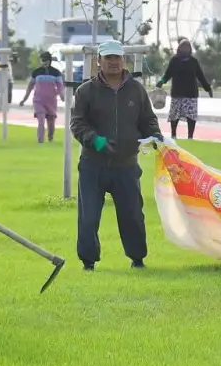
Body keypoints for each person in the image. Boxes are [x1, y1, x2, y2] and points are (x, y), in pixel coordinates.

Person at [69, 40, 163, 271]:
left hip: (126, 165)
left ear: (124, 60)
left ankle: (137, 259)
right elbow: (77, 124)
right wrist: (95, 141)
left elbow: (148, 120)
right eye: (108, 57)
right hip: (93, 165)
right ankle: (88, 262)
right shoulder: (86, 91)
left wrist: (155, 135)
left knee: (132, 215)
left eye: (117, 57)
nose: (113, 62)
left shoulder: (136, 90)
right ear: (98, 61)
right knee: (89, 216)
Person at [155, 39, 213, 139]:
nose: (185, 49)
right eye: (183, 47)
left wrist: (208, 88)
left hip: (191, 94)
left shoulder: (193, 62)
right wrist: (161, 82)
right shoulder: (174, 60)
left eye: (187, 47)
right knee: (174, 115)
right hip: (177, 93)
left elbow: (201, 77)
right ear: (179, 48)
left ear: (190, 49)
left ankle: (190, 136)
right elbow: (167, 74)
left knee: (191, 116)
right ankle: (173, 135)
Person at [20, 51, 64, 143]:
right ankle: (40, 140)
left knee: (51, 122)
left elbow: (60, 86)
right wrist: (24, 99)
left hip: (51, 101)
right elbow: (30, 87)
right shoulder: (36, 72)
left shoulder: (56, 73)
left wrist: (63, 96)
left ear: (50, 60)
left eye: (46, 60)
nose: (45, 62)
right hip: (38, 100)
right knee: (41, 122)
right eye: (43, 60)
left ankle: (50, 138)